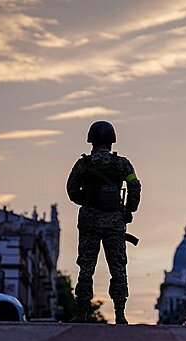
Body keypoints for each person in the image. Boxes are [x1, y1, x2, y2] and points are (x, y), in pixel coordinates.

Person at [66, 120, 142, 324]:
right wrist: (128, 210)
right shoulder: (122, 163)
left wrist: (88, 202)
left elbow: (71, 190)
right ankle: (120, 314)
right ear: (112, 140)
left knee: (86, 268)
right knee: (118, 267)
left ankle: (81, 314)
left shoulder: (83, 164)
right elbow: (134, 185)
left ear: (91, 140)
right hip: (114, 223)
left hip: (89, 222)